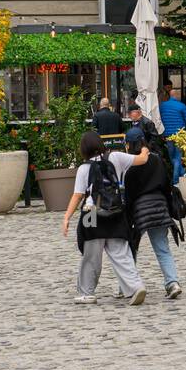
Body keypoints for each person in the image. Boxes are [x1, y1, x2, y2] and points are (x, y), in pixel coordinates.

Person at [62, 131, 149, 305]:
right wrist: (145, 147)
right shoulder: (115, 157)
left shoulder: (83, 169)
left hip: (91, 211)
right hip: (115, 209)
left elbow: (77, 195)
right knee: (121, 251)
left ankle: (86, 292)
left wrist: (66, 217)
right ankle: (135, 286)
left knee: (91, 254)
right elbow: (142, 159)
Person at [122, 126, 183, 298]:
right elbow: (166, 184)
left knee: (131, 248)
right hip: (160, 207)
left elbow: (129, 195)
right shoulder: (157, 160)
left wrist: (128, 217)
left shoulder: (130, 167)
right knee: (162, 248)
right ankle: (172, 283)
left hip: (141, 210)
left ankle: (127, 286)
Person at [157, 84, 186, 184]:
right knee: (178, 157)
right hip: (180, 135)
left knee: (173, 157)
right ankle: (177, 179)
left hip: (168, 135)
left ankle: (180, 175)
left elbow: (160, 119)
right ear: (176, 96)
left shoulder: (162, 106)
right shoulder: (182, 106)